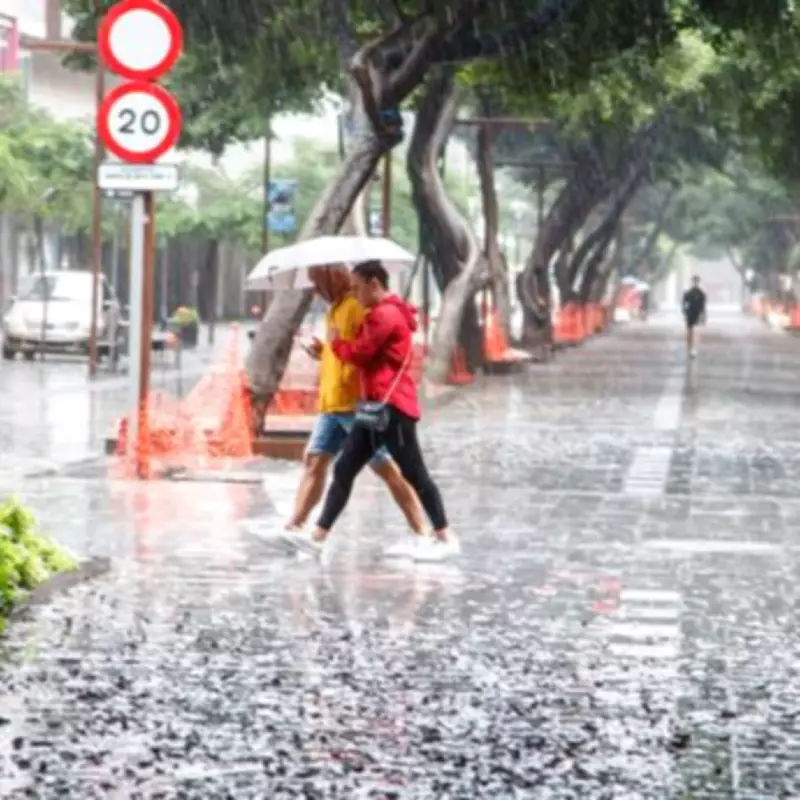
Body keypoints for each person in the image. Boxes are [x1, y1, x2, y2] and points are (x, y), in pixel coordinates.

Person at [282, 260, 458, 562]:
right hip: (374, 408)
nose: (356, 293)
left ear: (374, 283)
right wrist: (334, 347)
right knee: (344, 468)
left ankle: (443, 536)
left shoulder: (385, 315)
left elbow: (360, 353)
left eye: (359, 286)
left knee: (414, 473)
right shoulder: (381, 312)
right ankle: (317, 537)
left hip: (392, 409)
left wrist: (336, 344)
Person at [682, 275, 707, 358]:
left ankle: (694, 348)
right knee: (689, 331)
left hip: (697, 314)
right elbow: (684, 304)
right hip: (690, 314)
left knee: (695, 331)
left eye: (696, 281)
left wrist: (703, 316)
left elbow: (703, 306)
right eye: (694, 281)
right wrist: (685, 312)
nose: (695, 283)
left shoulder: (701, 294)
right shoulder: (688, 293)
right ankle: (690, 347)